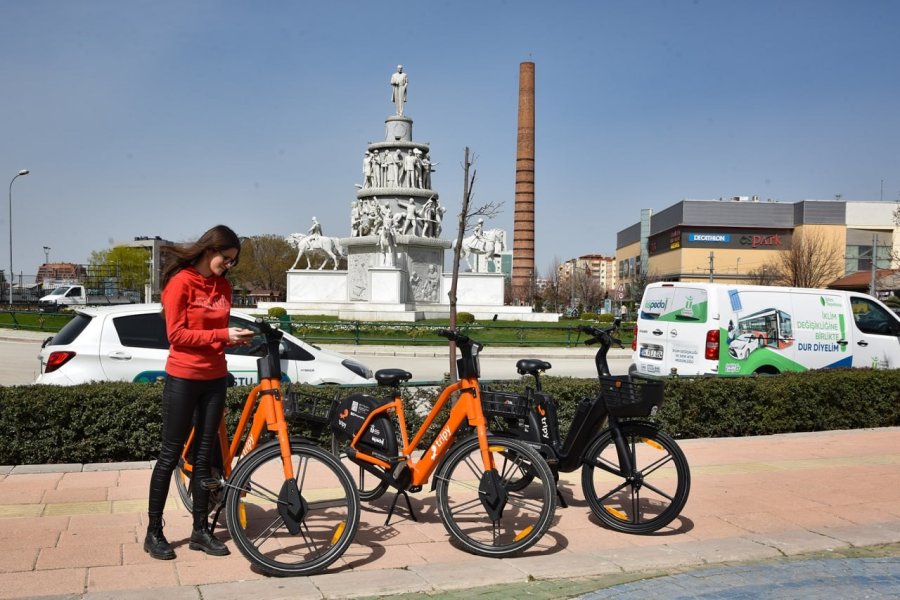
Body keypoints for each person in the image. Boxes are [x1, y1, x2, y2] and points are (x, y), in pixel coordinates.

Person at [144, 225, 252, 561]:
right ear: (210, 250)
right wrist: (222, 333)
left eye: (233, 261)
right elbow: (177, 335)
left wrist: (233, 337)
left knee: (205, 458)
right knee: (170, 454)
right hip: (184, 377)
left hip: (215, 377)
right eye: (226, 258)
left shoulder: (223, 286)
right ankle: (154, 532)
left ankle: (200, 531)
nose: (228, 266)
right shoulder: (181, 283)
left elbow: (215, 332)